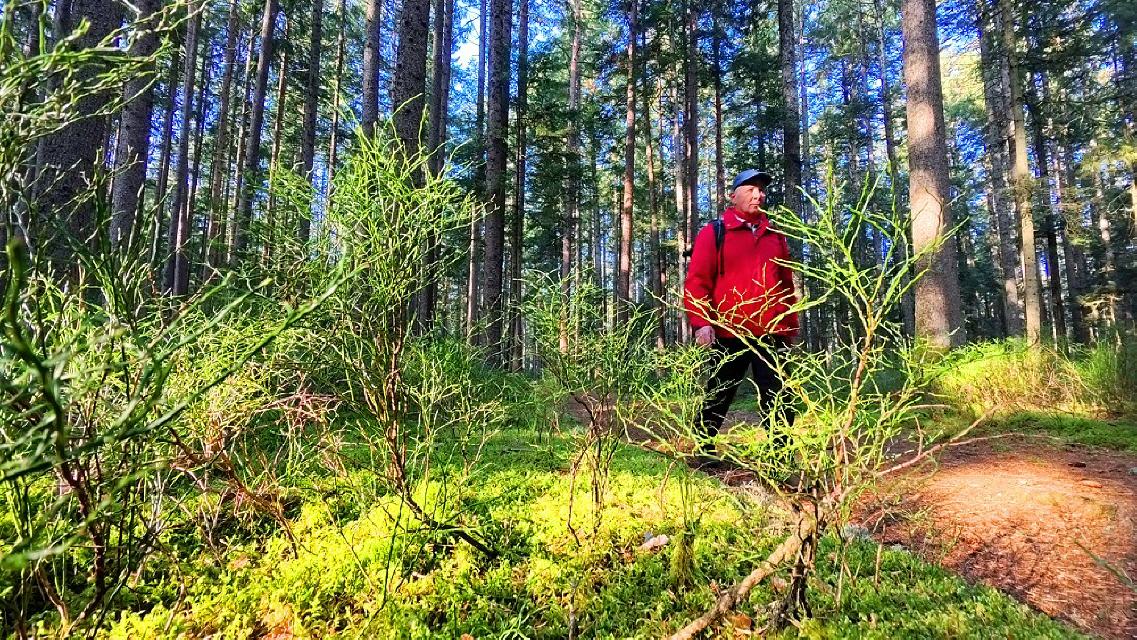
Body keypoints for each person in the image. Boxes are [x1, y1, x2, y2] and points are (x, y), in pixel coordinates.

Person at [683, 168, 799, 461]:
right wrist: (701, 323)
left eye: (761, 190)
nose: (757, 195)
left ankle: (780, 457)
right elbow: (697, 282)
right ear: (733, 196)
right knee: (719, 392)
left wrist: (789, 325)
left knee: (778, 395)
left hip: (771, 332)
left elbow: (786, 285)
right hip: (729, 331)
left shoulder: (775, 236)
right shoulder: (715, 232)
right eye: (750, 189)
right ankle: (704, 450)